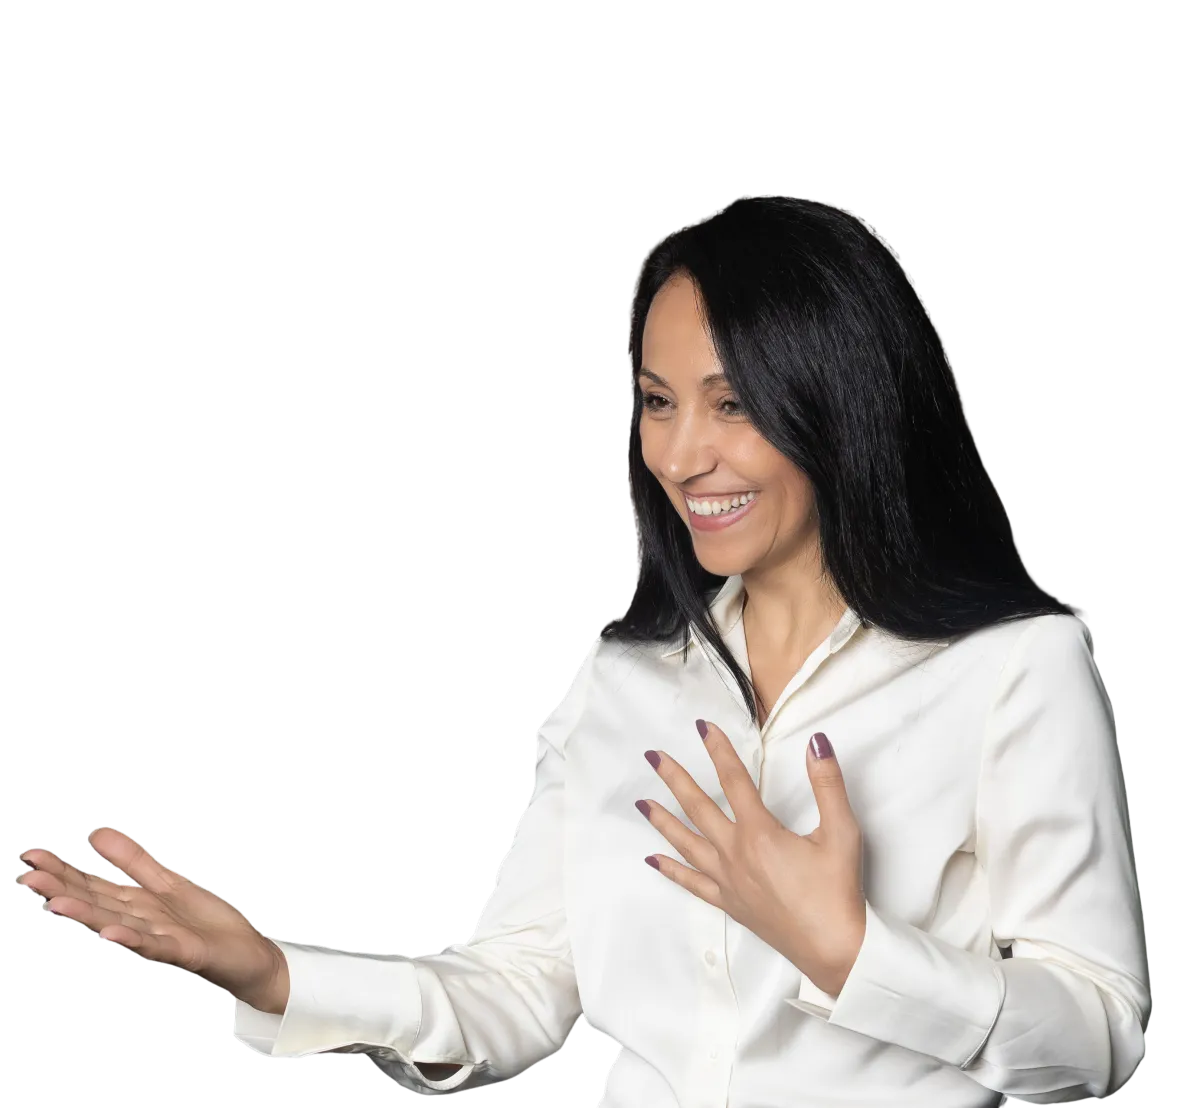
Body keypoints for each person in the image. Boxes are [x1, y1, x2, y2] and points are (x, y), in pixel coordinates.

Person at [16, 192, 1149, 1105]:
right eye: (658, 402)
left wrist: (854, 952)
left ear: (842, 404)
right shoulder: (627, 677)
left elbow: (1099, 1039)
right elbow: (519, 986)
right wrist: (276, 974)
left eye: (734, 404)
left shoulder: (1014, 668)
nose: (683, 455)